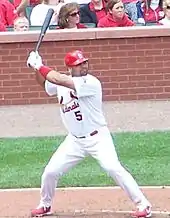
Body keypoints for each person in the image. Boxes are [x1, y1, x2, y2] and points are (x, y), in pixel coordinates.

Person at [26, 49, 152, 218]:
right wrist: (35, 69)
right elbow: (45, 84)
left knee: (113, 168)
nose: (84, 66)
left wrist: (40, 65)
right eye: (79, 64)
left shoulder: (90, 82)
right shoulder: (61, 83)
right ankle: (45, 204)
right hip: (74, 141)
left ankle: (143, 204)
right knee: (50, 172)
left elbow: (58, 78)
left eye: (84, 62)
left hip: (98, 137)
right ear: (70, 68)